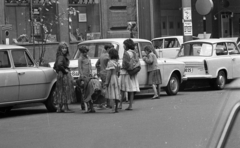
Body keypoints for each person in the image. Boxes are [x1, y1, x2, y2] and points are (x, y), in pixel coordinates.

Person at [54, 42, 76, 113]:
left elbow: (56, 66)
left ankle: (59, 108)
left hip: (60, 75)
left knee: (61, 90)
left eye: (65, 48)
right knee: (65, 90)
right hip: (63, 75)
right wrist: (65, 70)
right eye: (63, 48)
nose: (65, 49)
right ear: (60, 49)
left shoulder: (59, 56)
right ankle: (65, 108)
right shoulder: (61, 56)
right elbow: (59, 65)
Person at [119, 38, 140, 110]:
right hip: (133, 72)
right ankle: (130, 105)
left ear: (126, 45)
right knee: (131, 90)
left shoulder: (126, 53)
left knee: (122, 89)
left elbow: (125, 64)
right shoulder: (135, 53)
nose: (123, 46)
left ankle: (120, 104)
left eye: (124, 45)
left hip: (126, 73)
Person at [95, 44, 114, 108]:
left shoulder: (101, 55)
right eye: (111, 48)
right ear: (108, 49)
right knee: (108, 88)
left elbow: (97, 64)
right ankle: (107, 103)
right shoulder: (108, 56)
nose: (113, 50)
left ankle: (103, 103)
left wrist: (99, 71)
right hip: (107, 73)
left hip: (102, 73)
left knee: (104, 87)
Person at [104, 49, 121, 113]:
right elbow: (119, 72)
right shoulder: (117, 62)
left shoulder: (110, 63)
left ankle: (113, 108)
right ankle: (116, 108)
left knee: (112, 93)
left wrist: (106, 82)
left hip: (111, 78)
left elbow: (109, 74)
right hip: (116, 78)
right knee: (116, 93)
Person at [78, 45, 92, 110]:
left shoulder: (88, 57)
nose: (85, 53)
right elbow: (80, 68)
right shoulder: (80, 59)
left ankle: (88, 103)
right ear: (81, 52)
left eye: (86, 52)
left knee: (88, 90)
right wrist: (81, 75)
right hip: (84, 76)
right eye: (84, 52)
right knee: (83, 91)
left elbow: (90, 66)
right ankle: (83, 105)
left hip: (88, 76)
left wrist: (91, 72)